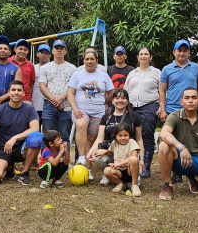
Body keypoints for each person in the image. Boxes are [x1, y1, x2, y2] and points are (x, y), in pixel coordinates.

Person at [159, 39, 198, 184]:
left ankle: (192, 169)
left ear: (189, 53)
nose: (182, 53)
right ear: (174, 52)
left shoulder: (196, 67)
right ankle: (177, 171)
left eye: (185, 50)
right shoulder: (167, 69)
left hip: (192, 108)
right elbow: (162, 90)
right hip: (173, 108)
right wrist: (162, 108)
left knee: (191, 138)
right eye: (179, 50)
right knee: (172, 140)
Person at [67, 50, 115, 181]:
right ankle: (81, 157)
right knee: (81, 125)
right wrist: (75, 108)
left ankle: (87, 169)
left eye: (92, 59)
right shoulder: (77, 75)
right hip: (81, 110)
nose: (89, 61)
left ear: (96, 61)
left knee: (92, 140)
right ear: (83, 61)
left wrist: (102, 102)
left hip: (98, 112)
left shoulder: (103, 76)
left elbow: (111, 93)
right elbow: (70, 93)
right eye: (87, 59)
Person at [0, 81, 42, 185]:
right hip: (3, 148)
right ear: (8, 92)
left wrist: (15, 138)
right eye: (13, 90)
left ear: (24, 93)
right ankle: (8, 168)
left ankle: (24, 173)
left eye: (19, 90)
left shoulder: (30, 109)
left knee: (36, 138)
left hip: (22, 148)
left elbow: (35, 128)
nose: (16, 93)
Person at [88, 89, 143, 185]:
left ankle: (130, 178)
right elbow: (100, 138)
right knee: (97, 156)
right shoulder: (106, 117)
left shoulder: (134, 117)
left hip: (128, 154)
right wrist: (91, 151)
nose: (120, 100)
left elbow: (139, 139)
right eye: (117, 98)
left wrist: (142, 158)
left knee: (130, 185)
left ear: (127, 101)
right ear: (112, 101)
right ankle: (108, 174)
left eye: (123, 98)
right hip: (112, 152)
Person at [124, 47, 160, 179]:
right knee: (130, 135)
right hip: (132, 107)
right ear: (138, 57)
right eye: (141, 54)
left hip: (149, 106)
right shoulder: (132, 73)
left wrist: (161, 107)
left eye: (146, 54)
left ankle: (145, 166)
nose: (143, 56)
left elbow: (163, 91)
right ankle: (131, 164)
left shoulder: (157, 72)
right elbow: (125, 90)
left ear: (150, 57)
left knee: (146, 136)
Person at [38, 39, 77, 144]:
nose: (59, 51)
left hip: (66, 105)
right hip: (48, 105)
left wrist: (60, 99)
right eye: (56, 48)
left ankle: (64, 160)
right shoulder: (45, 68)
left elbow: (73, 87)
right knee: (47, 134)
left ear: (65, 52)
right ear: (52, 51)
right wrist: (54, 100)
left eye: (61, 49)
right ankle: (46, 160)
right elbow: (42, 86)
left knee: (64, 135)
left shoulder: (73, 68)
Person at [97, 123, 142, 196]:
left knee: (133, 159)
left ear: (129, 135)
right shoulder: (114, 143)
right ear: (116, 136)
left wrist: (118, 164)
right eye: (120, 135)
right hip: (119, 172)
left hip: (130, 171)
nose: (123, 138)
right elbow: (111, 153)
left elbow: (134, 158)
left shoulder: (132, 142)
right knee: (107, 170)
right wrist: (105, 151)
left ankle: (134, 185)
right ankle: (120, 183)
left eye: (125, 135)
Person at [32, 43, 51, 128]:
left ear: (49, 55)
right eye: (41, 52)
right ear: (37, 54)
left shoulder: (52, 68)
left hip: (49, 104)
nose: (43, 55)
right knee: (35, 130)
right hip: (35, 104)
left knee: (49, 132)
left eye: (46, 53)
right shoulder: (33, 68)